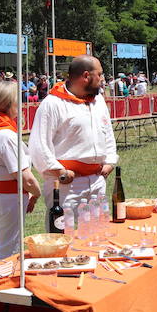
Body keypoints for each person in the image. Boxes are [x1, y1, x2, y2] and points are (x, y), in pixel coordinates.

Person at [29, 55, 118, 227]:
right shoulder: (53, 103)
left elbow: (107, 132)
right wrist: (59, 172)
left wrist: (110, 161)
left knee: (97, 234)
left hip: (97, 180)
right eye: (99, 74)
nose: (102, 79)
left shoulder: (98, 100)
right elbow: (39, 144)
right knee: (64, 236)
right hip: (67, 186)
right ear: (86, 76)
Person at [0, 81, 41, 259]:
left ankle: (2, 278)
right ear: (11, 104)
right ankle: (3, 283)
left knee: (5, 241)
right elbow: (25, 178)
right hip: (7, 198)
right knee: (10, 248)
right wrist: (36, 193)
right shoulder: (5, 135)